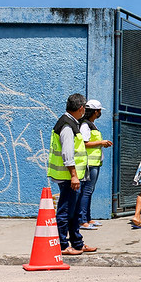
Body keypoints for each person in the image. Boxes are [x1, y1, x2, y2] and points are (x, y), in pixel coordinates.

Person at [47, 93, 97, 256]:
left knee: (74, 211)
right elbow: (67, 154)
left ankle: (77, 243)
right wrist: (74, 176)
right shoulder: (67, 126)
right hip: (68, 177)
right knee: (65, 210)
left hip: (74, 176)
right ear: (81, 108)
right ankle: (62, 244)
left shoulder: (71, 122)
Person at [78, 100, 112, 230]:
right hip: (88, 163)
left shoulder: (91, 124)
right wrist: (101, 142)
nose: (100, 113)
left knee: (89, 191)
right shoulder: (85, 125)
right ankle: (82, 220)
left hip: (95, 162)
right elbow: (84, 143)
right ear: (95, 111)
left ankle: (87, 218)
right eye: (99, 111)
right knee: (86, 191)